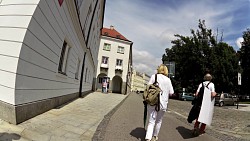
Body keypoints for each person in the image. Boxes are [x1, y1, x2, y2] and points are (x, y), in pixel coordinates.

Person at [145, 64, 174, 141]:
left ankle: (148, 138)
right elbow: (171, 92)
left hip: (153, 101)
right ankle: (155, 136)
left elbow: (148, 87)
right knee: (159, 121)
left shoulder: (154, 76)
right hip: (163, 103)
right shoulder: (168, 80)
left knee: (151, 121)